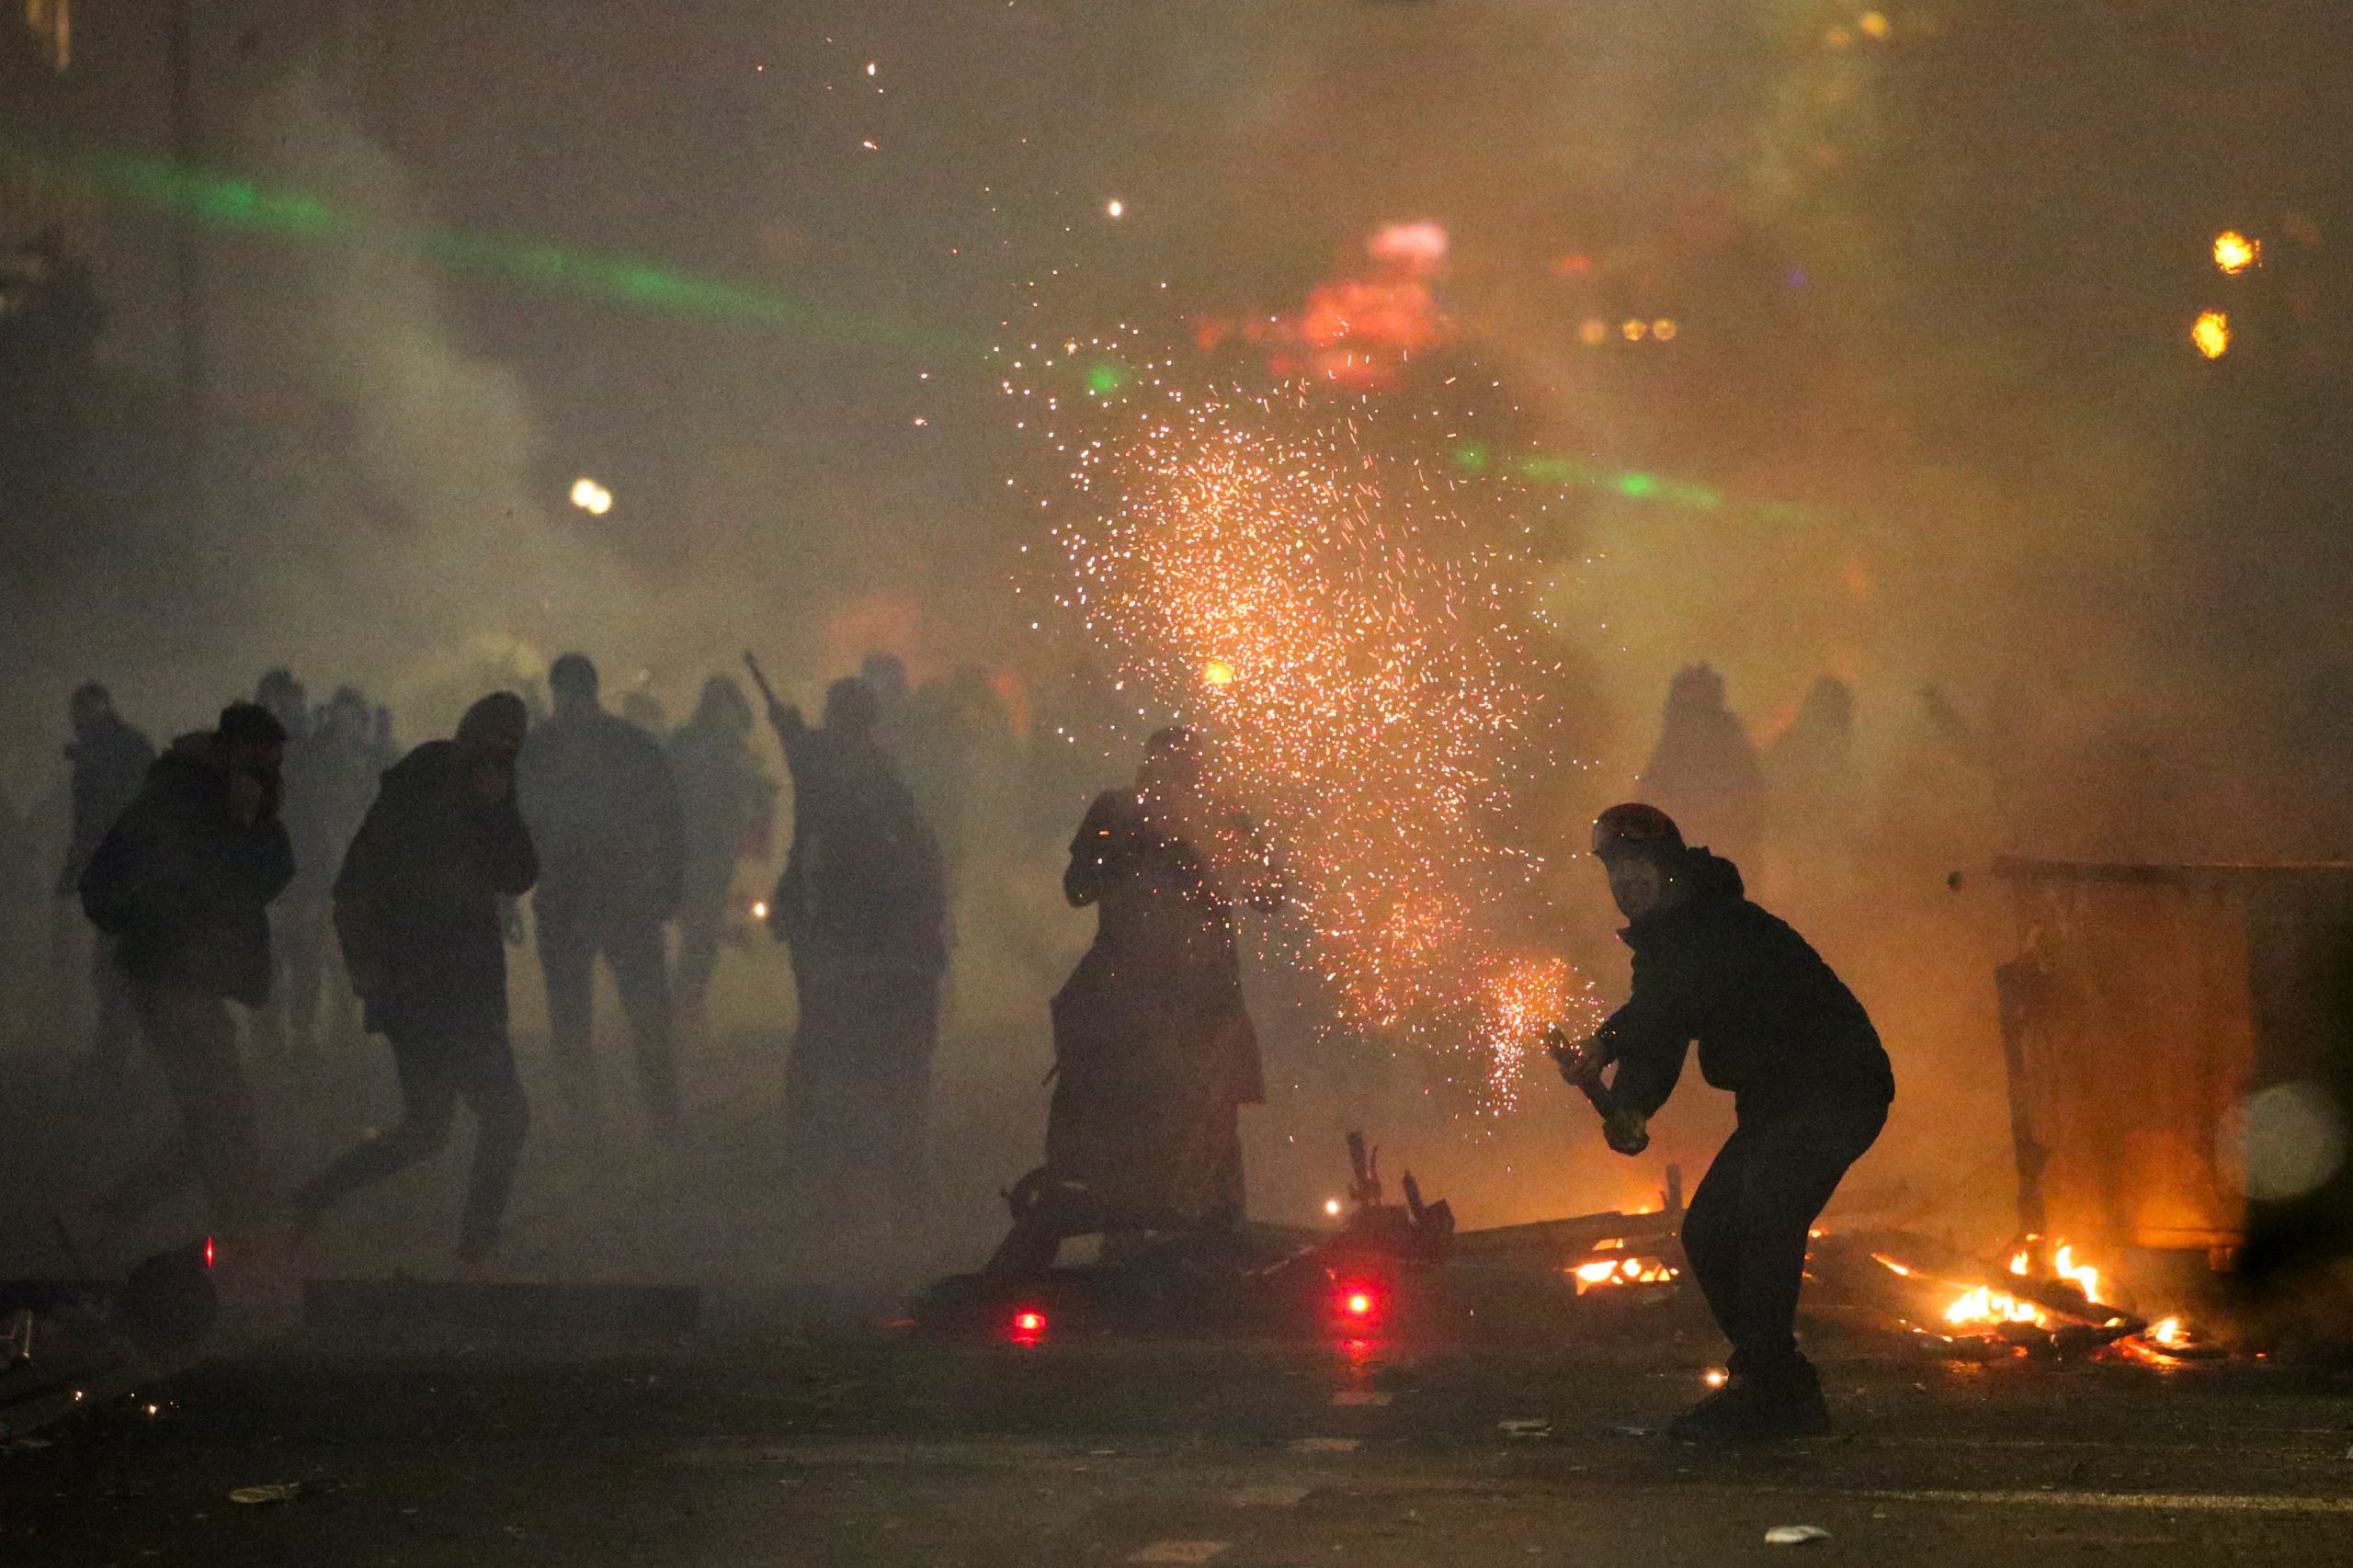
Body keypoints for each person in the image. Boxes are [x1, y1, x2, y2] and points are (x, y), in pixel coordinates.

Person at [1556, 802, 1893, 1441]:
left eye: (1638, 864)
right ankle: (1777, 1383)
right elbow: (1660, 1035)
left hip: (1835, 1088)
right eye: (1615, 868)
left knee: (1768, 1208)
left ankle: (1769, 1389)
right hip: (1776, 1105)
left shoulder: (1717, 923)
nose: (1626, 880)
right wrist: (1630, 1105)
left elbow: (1667, 1004)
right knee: (1709, 1232)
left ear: (1670, 869)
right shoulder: (1666, 945)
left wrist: (1604, 1043)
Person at [985, 726, 1282, 1281]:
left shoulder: (1221, 817)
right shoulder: (1118, 812)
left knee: (1209, 1120)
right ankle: (1124, 1243)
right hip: (1128, 993)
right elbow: (1077, 888)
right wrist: (1126, 854)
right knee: (1120, 1118)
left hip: (1202, 998)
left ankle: (1214, 1245)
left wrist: (1219, 854)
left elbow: (1270, 893)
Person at [293, 694, 538, 1267]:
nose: (504, 758)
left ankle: (314, 1196)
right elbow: (359, 883)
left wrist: (499, 806)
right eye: (500, 745)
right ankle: (477, 1247)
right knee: (503, 1118)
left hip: (451, 985)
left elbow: (518, 873)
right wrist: (369, 970)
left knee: (428, 1128)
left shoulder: (487, 793)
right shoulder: (420, 788)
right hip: (435, 988)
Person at [78, 703, 295, 1239]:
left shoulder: (211, 798)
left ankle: (105, 1220)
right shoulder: (181, 801)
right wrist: (149, 926)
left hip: (188, 979)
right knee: (225, 1120)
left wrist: (256, 820)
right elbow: (229, 884)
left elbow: (266, 878)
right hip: (175, 979)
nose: (267, 775)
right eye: (258, 762)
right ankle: (241, 1235)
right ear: (228, 753)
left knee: (218, 1122)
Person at [759, 674, 946, 1232]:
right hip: (854, 918)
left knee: (822, 1031)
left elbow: (800, 747)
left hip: (837, 918)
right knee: (859, 1033)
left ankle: (814, 1150)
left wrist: (788, 724)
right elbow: (912, 842)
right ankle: (863, 1153)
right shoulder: (869, 770)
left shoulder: (826, 761)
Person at [517, 653, 685, 1133]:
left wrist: (508, 893)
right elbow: (670, 821)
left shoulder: (539, 749)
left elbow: (515, 825)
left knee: (571, 1017)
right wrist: (671, 888)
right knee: (646, 1011)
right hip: (625, 895)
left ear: (557, 692)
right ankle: (663, 1114)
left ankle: (584, 1121)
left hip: (567, 897)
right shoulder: (634, 745)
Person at [666, 676, 776, 1038]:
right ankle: (683, 1004)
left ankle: (687, 1003)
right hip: (689, 847)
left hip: (718, 848)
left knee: (703, 929)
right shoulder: (688, 743)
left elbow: (751, 802)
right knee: (699, 927)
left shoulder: (734, 749)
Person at [57, 682, 156, 1074]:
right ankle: (131, 1053)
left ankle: (120, 1054)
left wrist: (73, 871)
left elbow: (95, 820)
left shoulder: (106, 753)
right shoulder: (126, 748)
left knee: (116, 966)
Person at [1638, 664, 1764, 874]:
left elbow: (1752, 800)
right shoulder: (1677, 743)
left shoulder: (1722, 740)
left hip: (1722, 851)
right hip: (1696, 852)